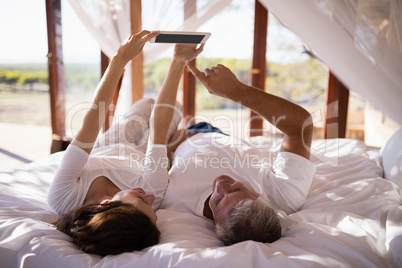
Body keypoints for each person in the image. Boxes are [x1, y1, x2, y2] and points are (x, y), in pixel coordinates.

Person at [47, 30, 204, 256]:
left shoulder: (63, 197)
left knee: (147, 102)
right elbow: (158, 127)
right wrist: (179, 61)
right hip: (142, 152)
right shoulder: (153, 192)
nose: (151, 198)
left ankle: (177, 137)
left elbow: (93, 120)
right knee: (175, 109)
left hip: (109, 145)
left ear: (106, 204)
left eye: (141, 199)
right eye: (151, 207)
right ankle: (177, 137)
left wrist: (119, 59)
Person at [161, 61, 315, 245]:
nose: (221, 183)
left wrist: (168, 147)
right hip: (217, 135)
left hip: (179, 142)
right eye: (238, 188)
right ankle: (191, 122)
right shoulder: (284, 196)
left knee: (157, 107)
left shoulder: (175, 201)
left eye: (218, 202)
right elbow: (300, 126)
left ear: (216, 223)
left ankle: (188, 124)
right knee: (191, 119)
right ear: (257, 197)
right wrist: (236, 91)